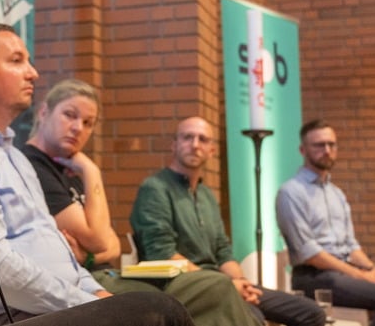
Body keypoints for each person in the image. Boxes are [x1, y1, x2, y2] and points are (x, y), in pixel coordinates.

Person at [0, 24, 194, 326]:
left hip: (53, 307)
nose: (33, 73)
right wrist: (87, 302)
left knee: (156, 306)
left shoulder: (15, 157)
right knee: (158, 311)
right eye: (16, 61)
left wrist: (95, 292)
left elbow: (61, 247)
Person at [21, 79, 263, 326]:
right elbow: (99, 239)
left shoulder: (70, 168)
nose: (77, 128)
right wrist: (92, 171)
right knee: (216, 288)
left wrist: (92, 250)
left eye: (87, 123)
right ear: (43, 112)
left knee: (238, 298)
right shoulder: (35, 165)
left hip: (106, 272)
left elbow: (113, 244)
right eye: (69, 115)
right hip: (85, 279)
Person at [130, 116, 326, 326]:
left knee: (311, 313)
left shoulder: (206, 195)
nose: (195, 145)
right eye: (187, 137)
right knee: (253, 318)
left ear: (212, 150)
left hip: (221, 283)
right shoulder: (155, 189)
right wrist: (226, 284)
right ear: (174, 145)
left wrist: (240, 282)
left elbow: (223, 251)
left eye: (203, 139)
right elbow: (162, 253)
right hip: (184, 287)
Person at [276, 119, 375, 326]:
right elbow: (309, 253)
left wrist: (372, 269)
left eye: (331, 144)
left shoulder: (336, 194)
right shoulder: (291, 192)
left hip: (345, 272)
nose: (327, 150)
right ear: (303, 150)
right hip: (314, 277)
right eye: (319, 145)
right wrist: (360, 276)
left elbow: (351, 246)